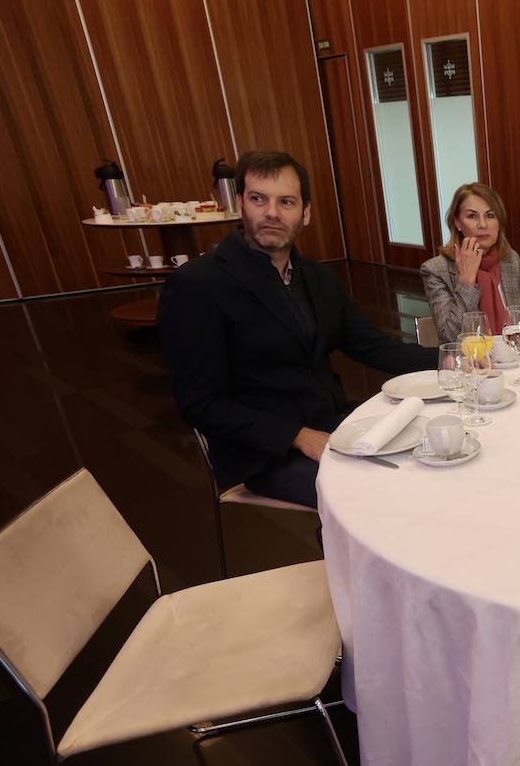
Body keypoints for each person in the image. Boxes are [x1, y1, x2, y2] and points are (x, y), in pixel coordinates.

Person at [159, 149, 435, 510]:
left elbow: (373, 346)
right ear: (241, 203)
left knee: (439, 454)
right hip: (266, 454)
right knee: (382, 500)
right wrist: (297, 436)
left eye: (286, 201)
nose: (272, 212)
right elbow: (201, 403)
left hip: (334, 424)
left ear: (305, 212)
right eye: (259, 199)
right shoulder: (197, 284)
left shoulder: (317, 277)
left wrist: (450, 360)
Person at [422, 182, 520, 342]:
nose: (483, 224)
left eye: (490, 215)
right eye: (472, 216)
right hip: (470, 361)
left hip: (512, 356)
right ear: (457, 223)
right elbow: (450, 338)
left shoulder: (510, 260)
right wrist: (466, 280)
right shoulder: (435, 269)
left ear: (499, 223)